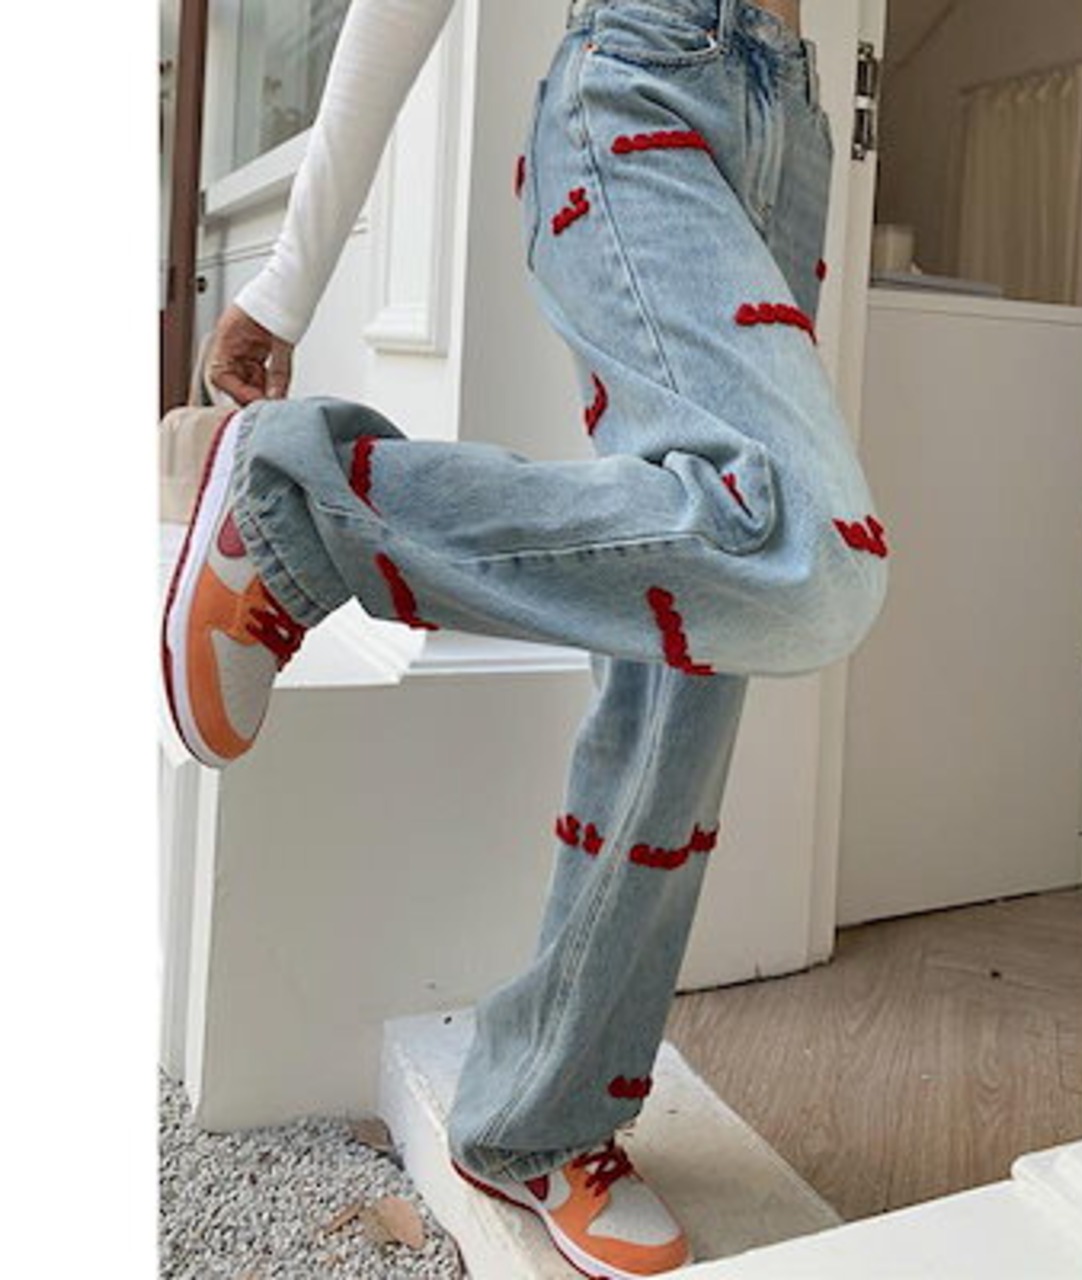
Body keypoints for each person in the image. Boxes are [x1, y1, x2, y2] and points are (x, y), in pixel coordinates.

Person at [161, 0, 888, 1274]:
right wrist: (285, 284)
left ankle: (539, 1116)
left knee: (695, 632)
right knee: (806, 555)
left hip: (788, 119)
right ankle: (299, 505)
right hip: (641, 83)